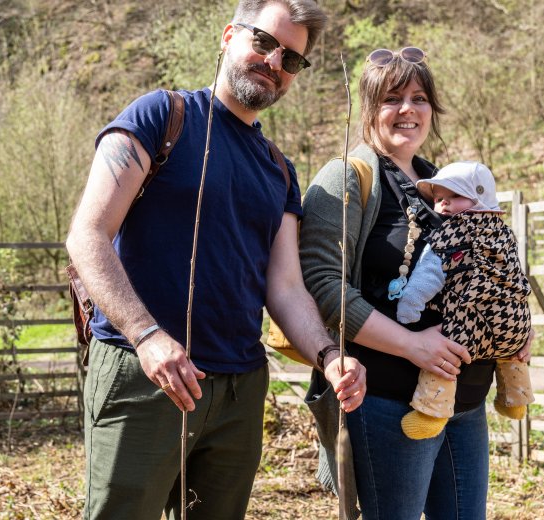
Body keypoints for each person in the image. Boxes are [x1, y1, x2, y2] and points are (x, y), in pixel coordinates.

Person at [65, 2, 367, 519]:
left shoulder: (279, 170)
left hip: (238, 390)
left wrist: (326, 354)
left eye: (292, 59)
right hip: (145, 374)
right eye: (265, 43)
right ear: (229, 35)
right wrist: (147, 336)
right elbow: (87, 236)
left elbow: (286, 288)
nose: (275, 62)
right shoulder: (162, 116)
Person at [299, 47, 532, 520]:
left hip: (465, 400)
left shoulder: (442, 182)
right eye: (393, 98)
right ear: (369, 108)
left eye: (420, 97)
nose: (408, 109)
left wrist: (514, 327)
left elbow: (487, 267)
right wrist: (411, 345)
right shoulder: (347, 177)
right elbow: (322, 285)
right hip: (387, 401)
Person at [396, 160, 535, 440]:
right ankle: (516, 399)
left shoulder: (447, 237)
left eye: (455, 197)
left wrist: (406, 316)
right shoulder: (504, 234)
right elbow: (515, 276)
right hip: (513, 326)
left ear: (480, 198)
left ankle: (431, 413)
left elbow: (425, 280)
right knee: (512, 355)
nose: (444, 205)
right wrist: (520, 321)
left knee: (444, 359)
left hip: (468, 331)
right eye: (439, 199)